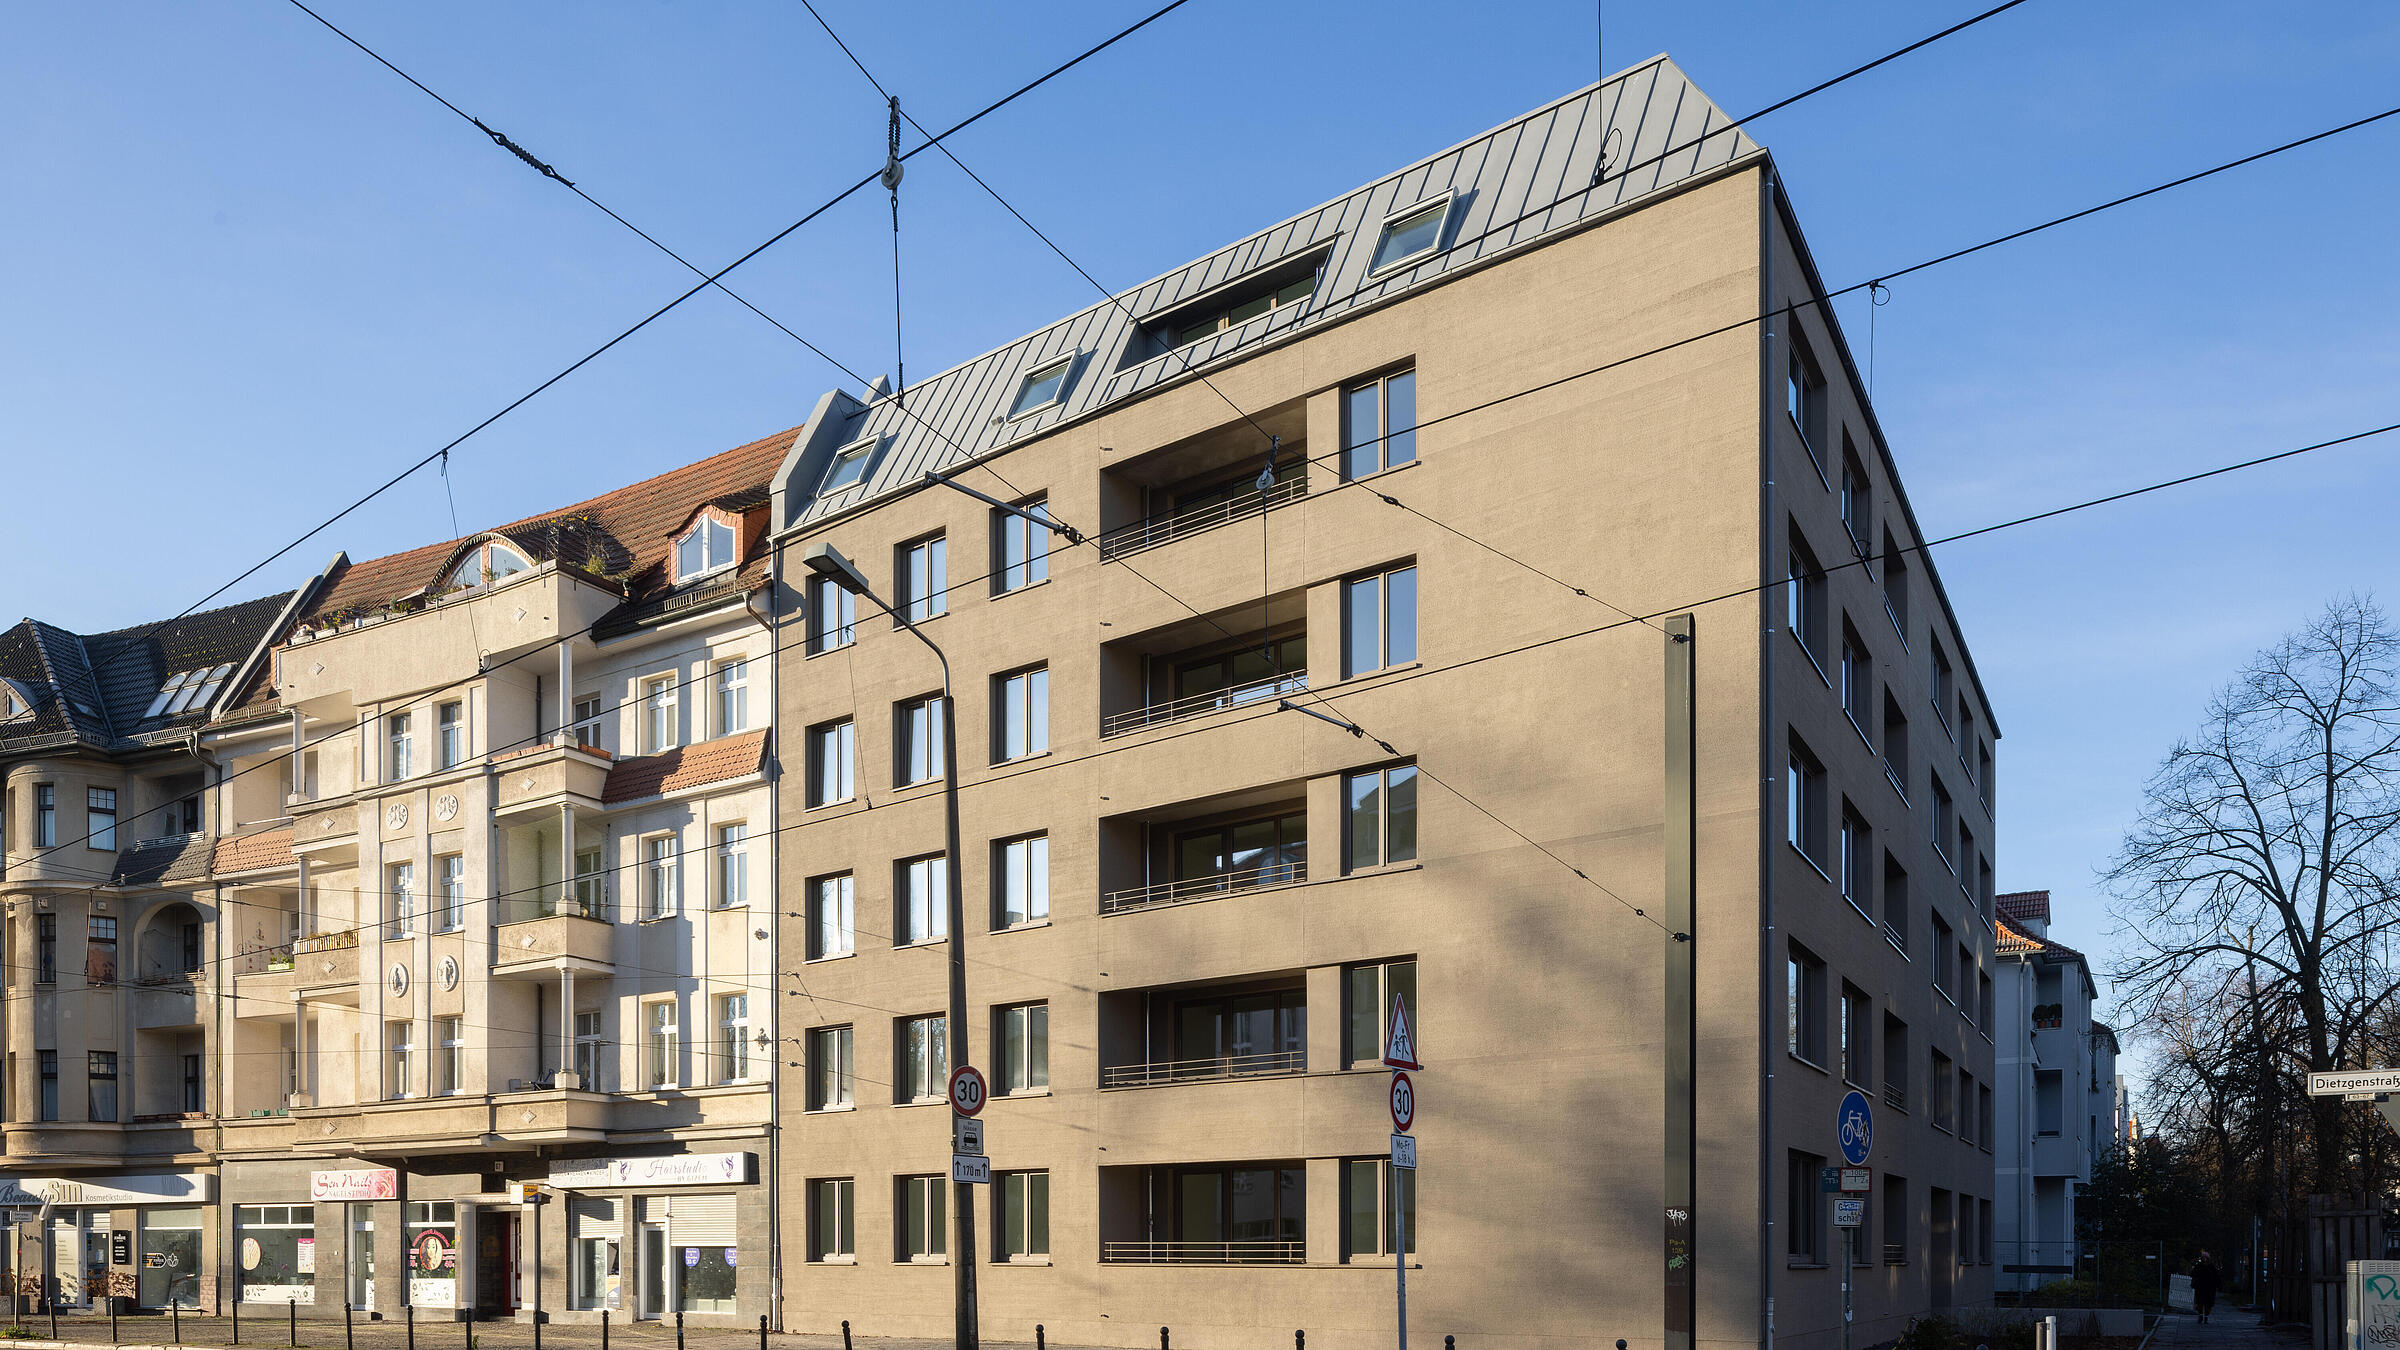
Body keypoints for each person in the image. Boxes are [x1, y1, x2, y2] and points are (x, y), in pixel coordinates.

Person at [2193, 1250, 2224, 1323]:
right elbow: (2193, 1274)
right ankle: (2200, 1316)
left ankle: (2206, 1317)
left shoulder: (2211, 1267)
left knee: (2208, 1304)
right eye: (2203, 1257)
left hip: (2210, 1288)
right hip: (2200, 1288)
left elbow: (2216, 1276)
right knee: (2200, 1303)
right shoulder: (2198, 1266)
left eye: (2205, 1257)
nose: (2204, 1259)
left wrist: (2219, 1285)